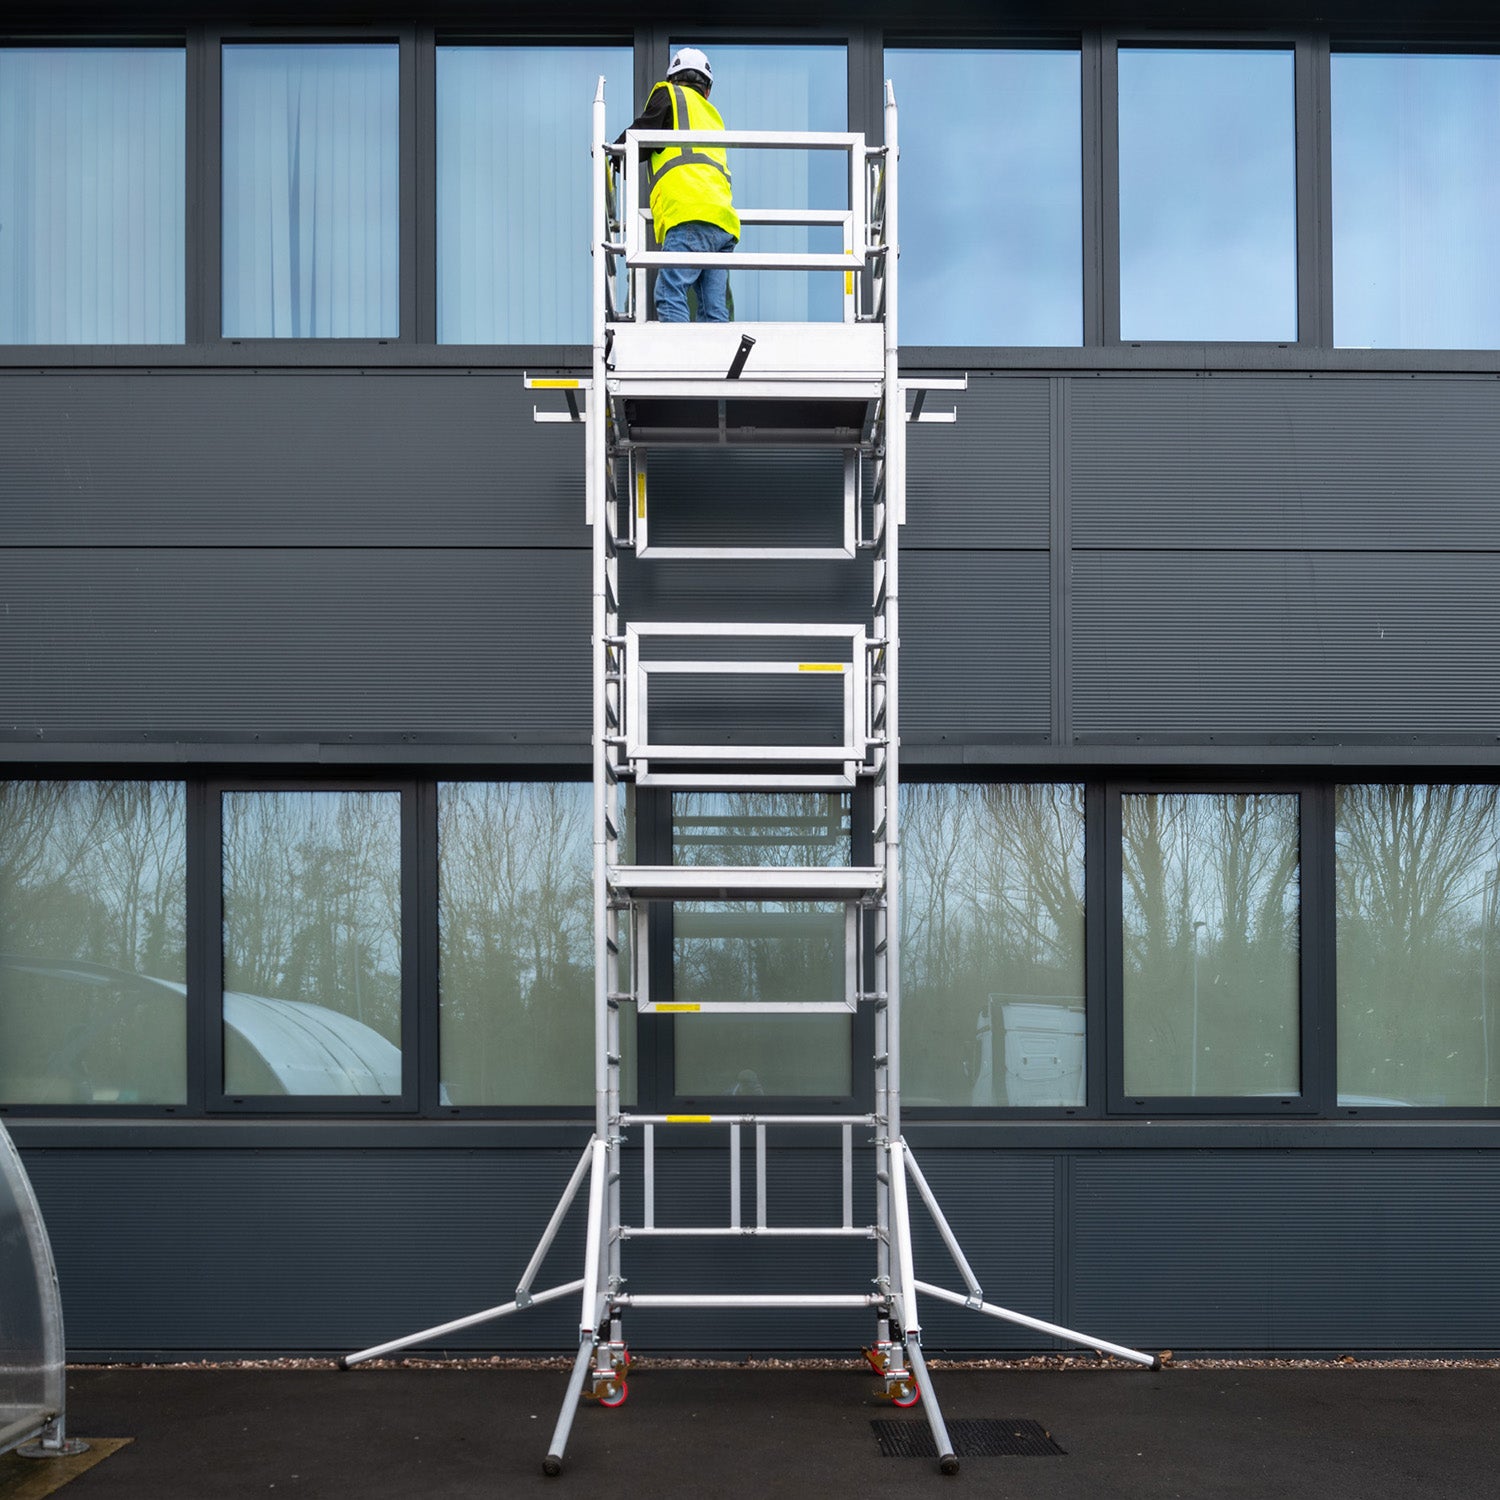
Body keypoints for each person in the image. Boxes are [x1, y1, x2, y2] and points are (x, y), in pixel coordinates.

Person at [618, 48, 739, 322]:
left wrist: (615, 156)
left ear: (673, 79)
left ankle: (678, 362)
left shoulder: (669, 95)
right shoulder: (713, 116)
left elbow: (645, 133)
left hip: (688, 215)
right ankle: (715, 361)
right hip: (723, 223)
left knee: (670, 292)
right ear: (707, 90)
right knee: (713, 308)